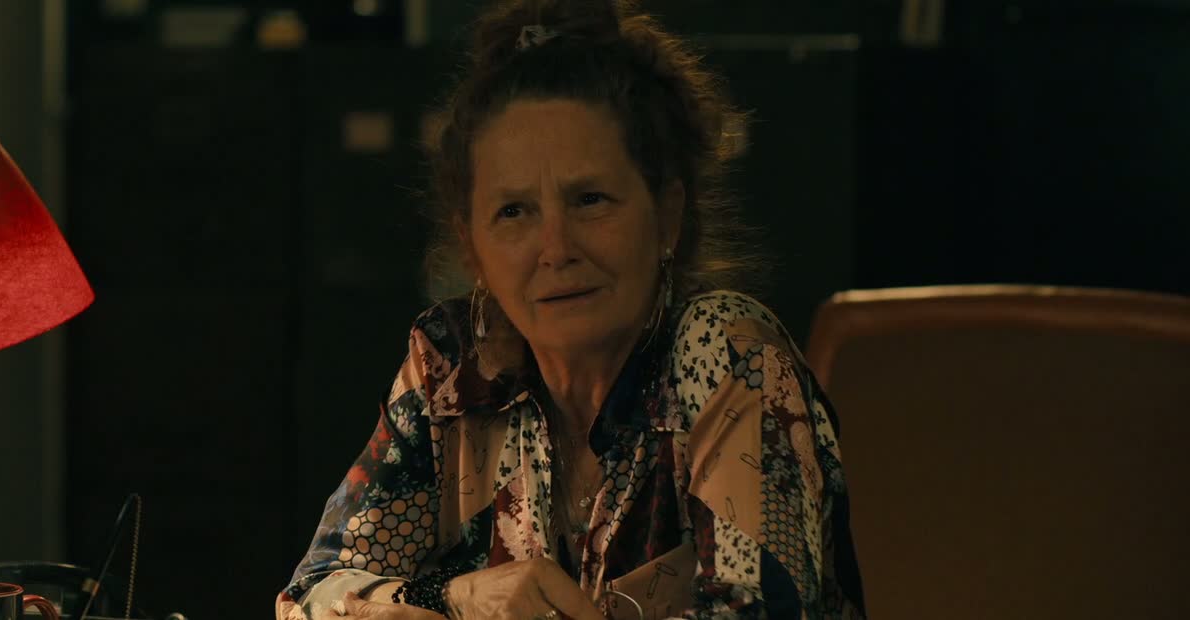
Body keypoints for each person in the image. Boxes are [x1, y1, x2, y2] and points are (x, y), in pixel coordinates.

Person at [278, 1, 866, 618]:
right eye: (513, 212)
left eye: (590, 199)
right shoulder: (453, 367)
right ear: (473, 247)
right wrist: (454, 596)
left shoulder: (726, 356)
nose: (556, 250)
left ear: (667, 216)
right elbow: (309, 596)